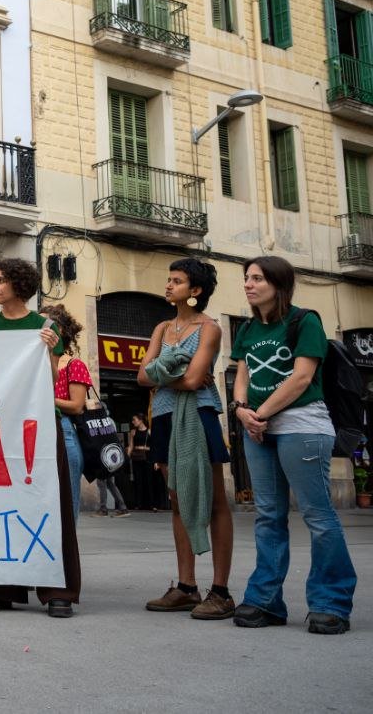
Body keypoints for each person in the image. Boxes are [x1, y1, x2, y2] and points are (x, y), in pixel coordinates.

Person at [230, 256, 357, 635]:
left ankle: (331, 603)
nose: (249, 285)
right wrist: (240, 410)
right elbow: (242, 373)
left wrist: (260, 413)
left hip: (302, 426)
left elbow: (302, 377)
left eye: (257, 278)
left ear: (278, 284)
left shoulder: (305, 321)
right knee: (268, 515)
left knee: (318, 516)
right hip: (257, 429)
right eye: (247, 278)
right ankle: (265, 601)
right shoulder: (249, 328)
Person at [0, 258, 80, 619]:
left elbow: (50, 381)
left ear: (20, 284)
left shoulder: (45, 326)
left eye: (1, 280)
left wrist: (50, 351)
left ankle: (58, 589)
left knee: (52, 503)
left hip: (40, 428)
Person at [137, 258, 234, 621]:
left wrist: (167, 373)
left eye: (176, 281)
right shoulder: (162, 328)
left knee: (216, 502)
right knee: (176, 497)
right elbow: (142, 378)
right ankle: (187, 587)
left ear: (195, 291)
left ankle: (221, 591)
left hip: (199, 414)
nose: (168, 285)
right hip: (163, 415)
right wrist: (177, 372)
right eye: (169, 279)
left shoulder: (210, 329)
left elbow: (194, 382)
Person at [40, 303, 88, 520]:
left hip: (65, 429)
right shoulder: (34, 361)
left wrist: (44, 399)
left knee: (67, 501)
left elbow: (77, 405)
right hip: (37, 430)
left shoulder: (73, 365)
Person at [128, 413, 164, 511]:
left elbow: (155, 447)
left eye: (134, 420)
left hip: (148, 457)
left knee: (150, 481)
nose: (133, 422)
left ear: (141, 420)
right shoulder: (133, 432)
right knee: (138, 481)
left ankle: (152, 504)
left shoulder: (149, 431)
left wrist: (157, 461)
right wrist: (127, 456)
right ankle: (139, 504)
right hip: (137, 458)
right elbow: (131, 445)